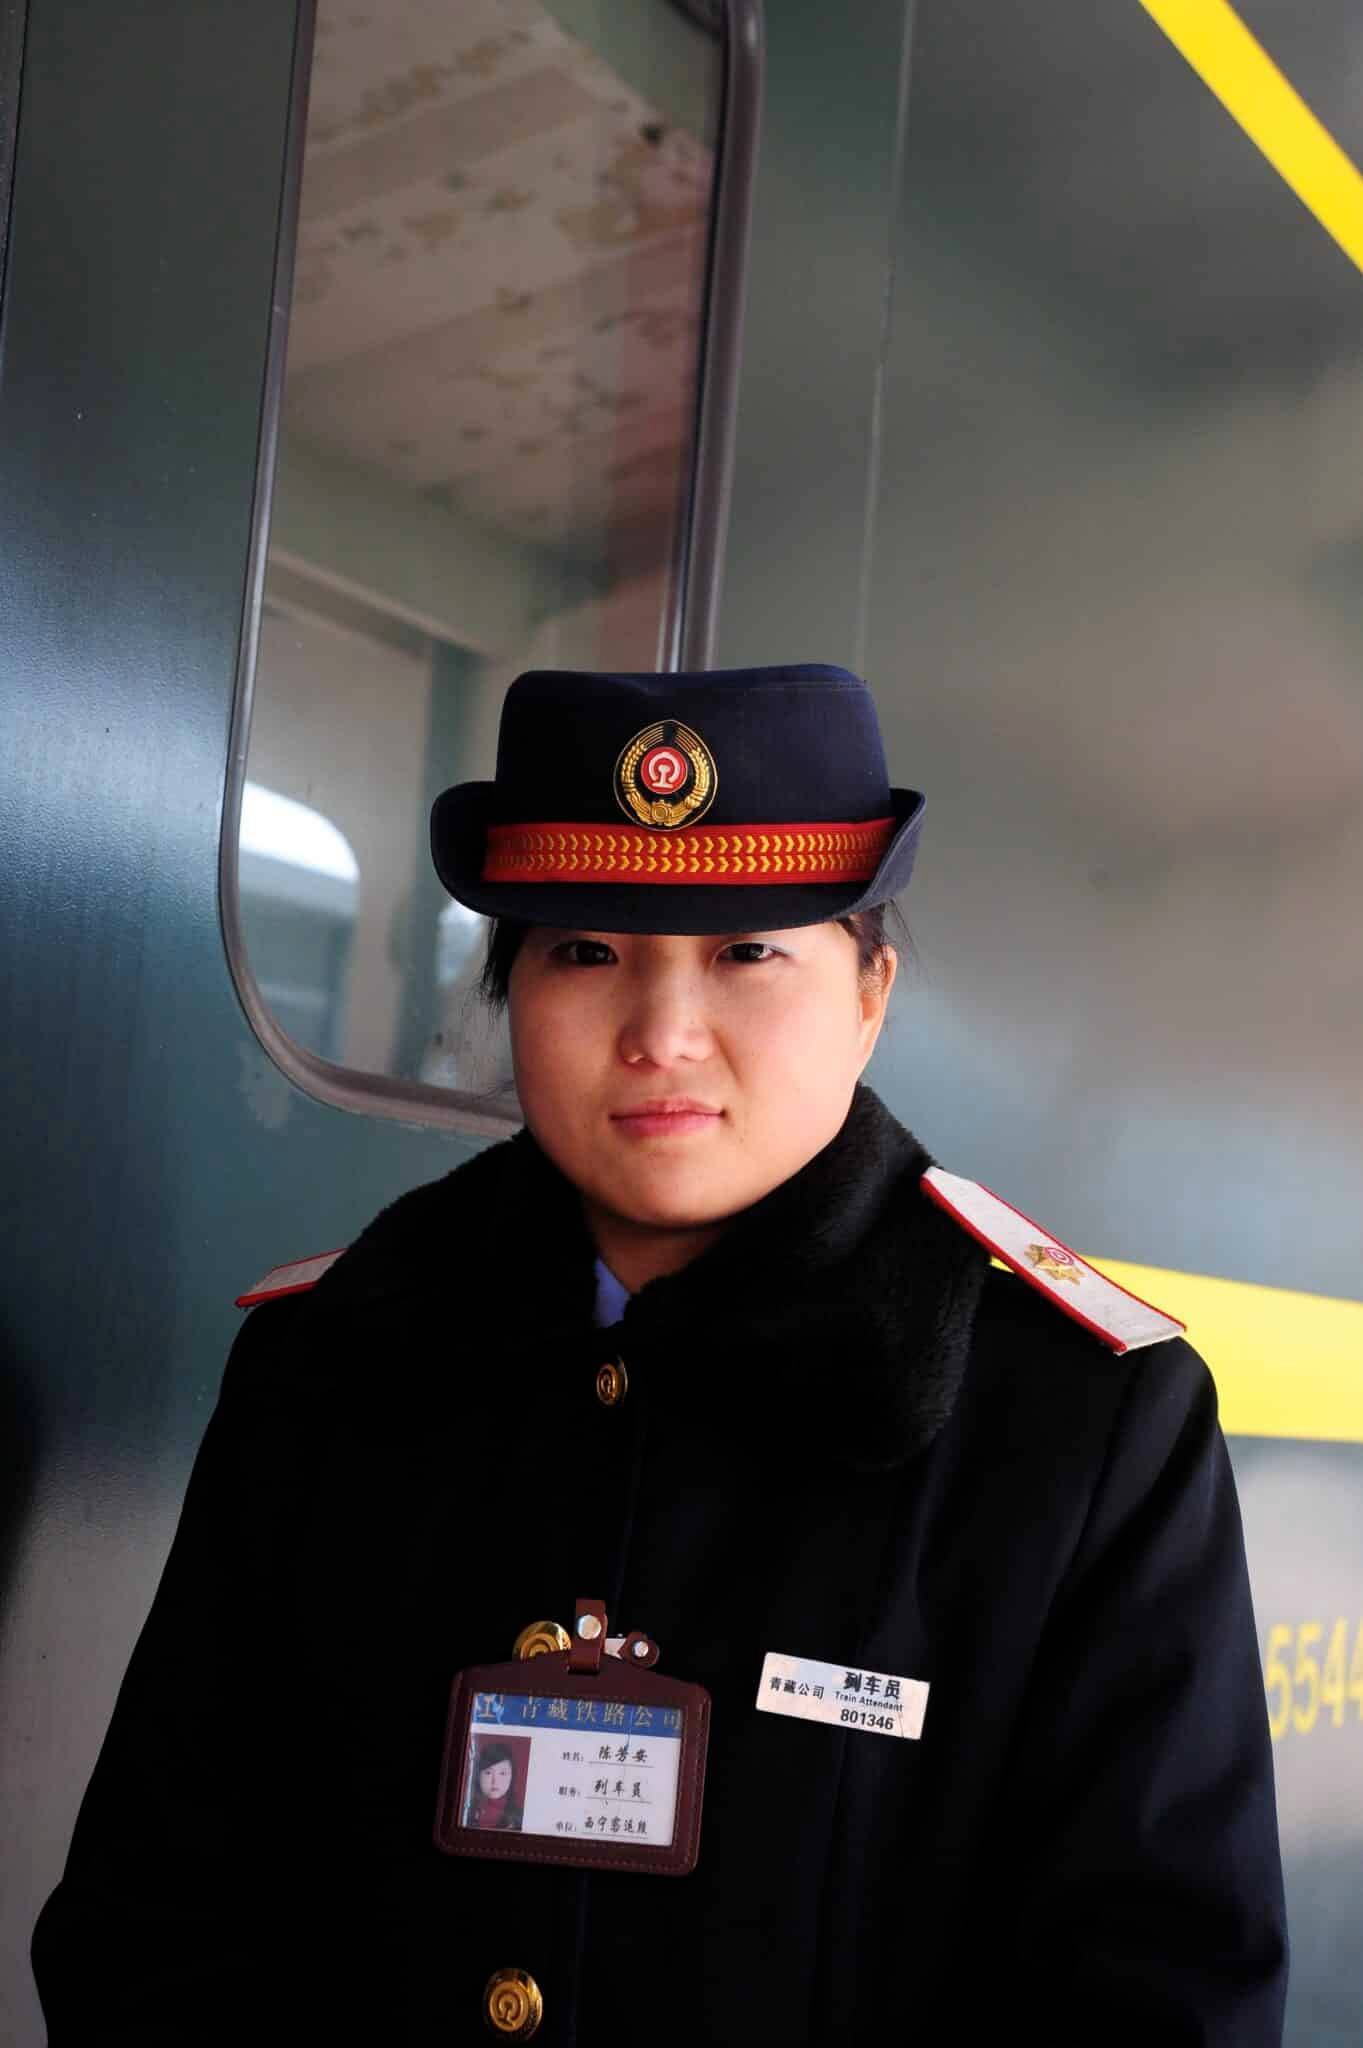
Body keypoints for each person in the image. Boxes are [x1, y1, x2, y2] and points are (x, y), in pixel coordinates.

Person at [33, 664, 1287, 2045]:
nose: (661, 1035)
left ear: (869, 990)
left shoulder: (1080, 1422)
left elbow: (1160, 1994)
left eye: (746, 953)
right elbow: (154, 1918)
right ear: (506, 989)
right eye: (585, 951)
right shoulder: (335, 1362)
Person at [467, 1743, 524, 1834]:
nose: (495, 1781)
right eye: (488, 1773)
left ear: (512, 1777)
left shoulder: (520, 1817)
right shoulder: (465, 1811)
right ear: (478, 1775)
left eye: (502, 1773)